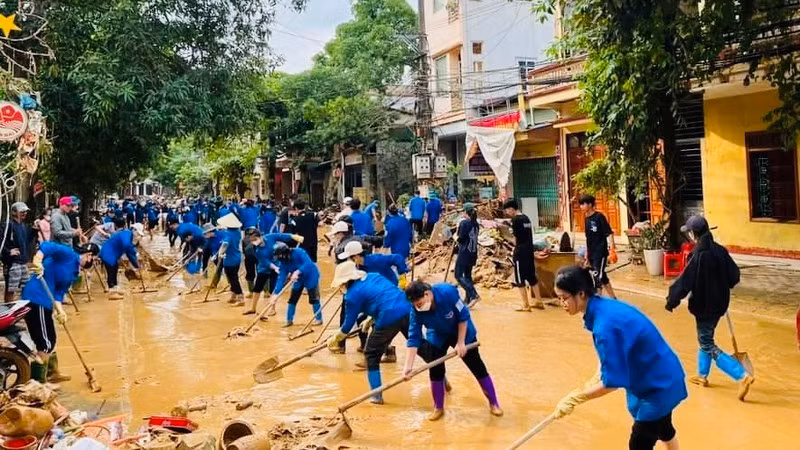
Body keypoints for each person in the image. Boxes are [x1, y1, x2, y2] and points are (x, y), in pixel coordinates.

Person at [552, 265, 686, 450]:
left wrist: (577, 397)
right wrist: (597, 374)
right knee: (663, 427)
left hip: (658, 385)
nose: (562, 303)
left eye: (564, 298)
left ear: (581, 294)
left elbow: (613, 382)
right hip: (661, 373)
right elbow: (612, 354)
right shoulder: (604, 306)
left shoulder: (604, 327)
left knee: (638, 444)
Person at [666, 215, 754, 399]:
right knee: (705, 337)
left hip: (704, 306)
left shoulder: (697, 255)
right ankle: (702, 375)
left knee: (707, 342)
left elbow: (685, 281)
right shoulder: (720, 250)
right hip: (720, 304)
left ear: (693, 234)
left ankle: (741, 375)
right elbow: (734, 276)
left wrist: (672, 299)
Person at [328, 261, 433, 404]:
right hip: (407, 308)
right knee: (420, 346)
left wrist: (335, 338)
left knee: (371, 353)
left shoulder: (350, 297)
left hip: (388, 317)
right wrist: (370, 319)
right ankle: (441, 378)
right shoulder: (373, 276)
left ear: (344, 282)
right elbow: (384, 295)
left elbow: (347, 326)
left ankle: (376, 396)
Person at [403, 281, 502, 421]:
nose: (417, 306)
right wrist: (408, 367)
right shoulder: (415, 311)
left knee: (477, 366)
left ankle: (494, 403)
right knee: (435, 368)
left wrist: (461, 343)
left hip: (461, 331)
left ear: (427, 294)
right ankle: (438, 407)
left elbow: (463, 316)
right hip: (438, 334)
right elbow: (413, 338)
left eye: (419, 303)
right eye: (414, 304)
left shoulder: (447, 292)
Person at [23, 242, 98, 384]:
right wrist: (37, 261)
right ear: (89, 255)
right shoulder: (68, 254)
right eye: (94, 259)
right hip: (36, 297)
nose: (94, 263)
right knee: (45, 343)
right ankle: (38, 385)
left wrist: (61, 311)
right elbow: (46, 246)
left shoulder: (74, 272)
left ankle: (52, 373)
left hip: (47, 302)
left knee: (51, 338)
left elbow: (59, 293)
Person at [503, 198, 548, 311]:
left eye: (507, 211)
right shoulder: (526, 218)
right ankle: (539, 301)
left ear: (512, 209)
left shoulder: (515, 220)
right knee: (531, 277)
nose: (507, 213)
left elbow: (515, 239)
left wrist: (511, 244)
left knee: (519, 279)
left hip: (520, 252)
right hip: (529, 251)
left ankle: (525, 305)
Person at [244, 230, 303, 315]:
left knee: (273, 289)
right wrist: (274, 267)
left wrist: (293, 236)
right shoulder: (257, 251)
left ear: (260, 237)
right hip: (264, 269)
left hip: (277, 265)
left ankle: (272, 309)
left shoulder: (270, 237)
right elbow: (265, 262)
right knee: (257, 289)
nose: (254, 242)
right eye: (252, 241)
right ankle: (253, 308)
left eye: (255, 239)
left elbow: (282, 236)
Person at [266, 242, 322, 327]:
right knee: (292, 299)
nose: (278, 258)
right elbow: (281, 279)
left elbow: (308, 263)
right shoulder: (283, 264)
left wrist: (298, 271)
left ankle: (318, 319)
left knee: (314, 298)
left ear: (284, 253)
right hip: (297, 279)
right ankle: (289, 320)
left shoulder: (299, 252)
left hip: (311, 275)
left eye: (279, 255)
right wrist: (276, 294)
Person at [579, 194, 618, 299]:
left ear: (590, 204)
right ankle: (614, 298)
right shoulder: (586, 219)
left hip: (600, 252)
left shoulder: (599, 217)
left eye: (583, 204)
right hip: (591, 252)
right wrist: (587, 254)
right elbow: (588, 238)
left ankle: (597, 300)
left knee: (597, 276)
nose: (581, 206)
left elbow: (609, 233)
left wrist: (612, 249)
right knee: (602, 276)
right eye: (580, 204)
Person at [99, 218, 142, 300]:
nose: (138, 235)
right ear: (134, 230)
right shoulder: (127, 234)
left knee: (115, 269)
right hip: (108, 254)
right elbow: (128, 247)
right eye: (138, 233)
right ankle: (112, 292)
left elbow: (130, 252)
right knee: (111, 271)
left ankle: (115, 289)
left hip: (112, 254)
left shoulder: (128, 235)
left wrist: (135, 264)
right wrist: (136, 265)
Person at [338, 241, 408, 287]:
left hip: (390, 287)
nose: (348, 260)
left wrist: (402, 275)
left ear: (356, 257)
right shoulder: (358, 268)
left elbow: (397, 258)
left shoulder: (376, 259)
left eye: (349, 258)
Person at [2, 202, 33, 302]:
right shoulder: (7, 225)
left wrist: (34, 231)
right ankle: (9, 310)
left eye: (25, 211)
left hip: (22, 261)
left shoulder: (23, 225)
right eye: (22, 211)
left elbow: (26, 240)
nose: (24, 213)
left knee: (26, 286)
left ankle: (21, 309)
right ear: (14, 212)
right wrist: (8, 251)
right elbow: (1, 242)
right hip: (12, 262)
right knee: (11, 288)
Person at [454, 203, 480, 307]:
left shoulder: (464, 223)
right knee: (467, 276)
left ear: (465, 212)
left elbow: (460, 238)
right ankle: (468, 299)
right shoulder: (476, 223)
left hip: (464, 253)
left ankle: (474, 295)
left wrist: (455, 237)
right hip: (473, 253)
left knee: (458, 275)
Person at [218, 213, 245, 306]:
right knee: (233, 277)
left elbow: (225, 245)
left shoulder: (228, 234)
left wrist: (220, 253)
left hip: (230, 259)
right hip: (237, 256)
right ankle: (233, 295)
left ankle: (240, 297)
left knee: (232, 279)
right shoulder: (237, 232)